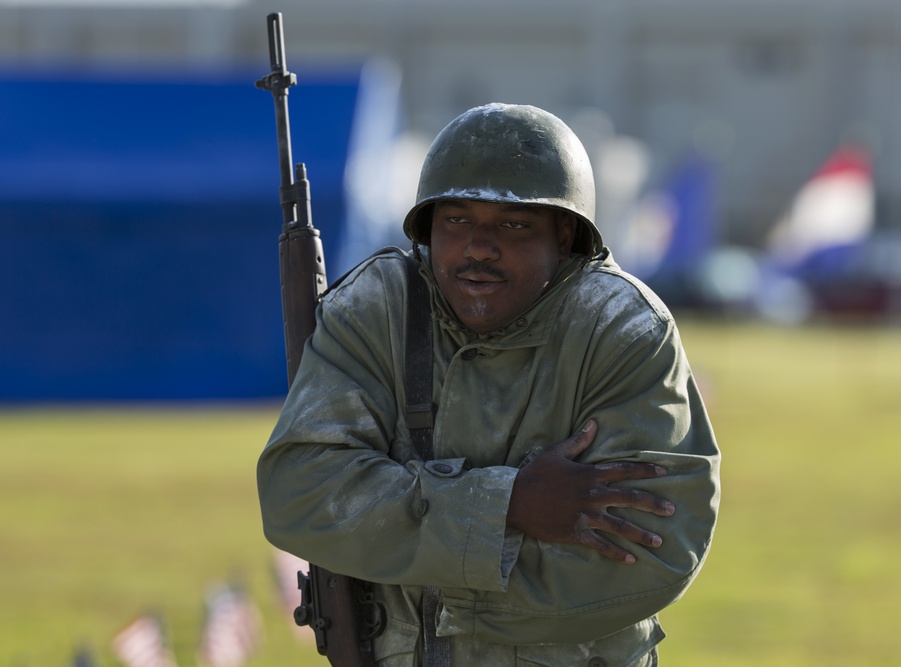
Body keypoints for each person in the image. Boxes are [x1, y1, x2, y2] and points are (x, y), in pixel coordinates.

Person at [257, 103, 721, 666]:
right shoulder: (376, 309)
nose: (479, 246)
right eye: (456, 220)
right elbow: (300, 494)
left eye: (514, 224)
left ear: (565, 233)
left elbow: (648, 555)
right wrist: (507, 507)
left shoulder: (622, 329)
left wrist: (415, 572)